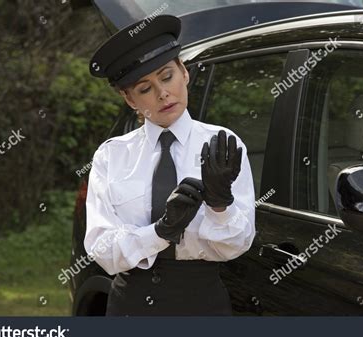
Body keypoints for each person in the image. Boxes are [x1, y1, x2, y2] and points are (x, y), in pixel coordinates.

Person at [84, 14, 255, 316]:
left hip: (202, 304)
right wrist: (160, 231)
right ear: (129, 99)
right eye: (145, 88)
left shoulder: (223, 144)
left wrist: (220, 205)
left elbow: (238, 245)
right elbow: (102, 251)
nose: (163, 93)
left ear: (184, 72)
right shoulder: (111, 156)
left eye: (166, 76)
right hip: (130, 306)